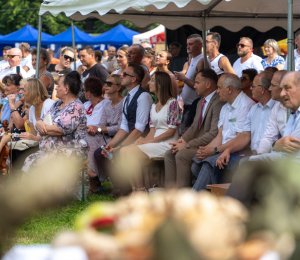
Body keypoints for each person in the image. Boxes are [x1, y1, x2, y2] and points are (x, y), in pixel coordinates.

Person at [226, 71, 300, 207]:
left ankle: (229, 214)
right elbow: (272, 139)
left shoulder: (293, 111)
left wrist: (261, 156)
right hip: (286, 164)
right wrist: (272, 147)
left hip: (293, 169)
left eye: (287, 88)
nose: (282, 93)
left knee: (248, 167)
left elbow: (290, 147)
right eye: (281, 88)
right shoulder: (292, 112)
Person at [94, 65, 153, 197]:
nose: (122, 76)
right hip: (131, 137)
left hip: (142, 139)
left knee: (119, 152)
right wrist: (111, 144)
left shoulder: (143, 96)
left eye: (125, 74)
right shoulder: (127, 98)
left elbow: (140, 129)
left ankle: (130, 189)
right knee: (101, 152)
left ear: (134, 79)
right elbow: (124, 127)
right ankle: (122, 186)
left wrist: (120, 146)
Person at [119, 71, 182, 193]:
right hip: (155, 142)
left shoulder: (172, 103)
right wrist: (142, 141)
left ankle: (141, 189)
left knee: (131, 153)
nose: (149, 82)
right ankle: (135, 189)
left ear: (160, 84)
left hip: (168, 143)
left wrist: (148, 142)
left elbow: (170, 132)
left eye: (152, 80)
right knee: (123, 151)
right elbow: (152, 131)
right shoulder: (153, 106)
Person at [190, 73, 255, 191]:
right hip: (224, 150)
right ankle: (213, 198)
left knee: (209, 164)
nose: (217, 91)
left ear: (229, 89)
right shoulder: (225, 107)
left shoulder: (245, 106)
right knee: (196, 164)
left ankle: (193, 198)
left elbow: (241, 138)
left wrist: (215, 150)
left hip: (241, 151)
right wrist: (205, 150)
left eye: (219, 88)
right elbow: (220, 135)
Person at [164, 69, 226, 188]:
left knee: (181, 155)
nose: (194, 86)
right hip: (199, 144)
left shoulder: (218, 102)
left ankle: (183, 196)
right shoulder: (201, 101)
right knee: (170, 153)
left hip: (210, 146)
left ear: (208, 84)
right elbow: (193, 128)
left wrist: (187, 145)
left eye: (197, 83)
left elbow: (213, 133)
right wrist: (181, 141)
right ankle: (170, 192)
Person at [22, 72, 88, 174]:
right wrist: (40, 124)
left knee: (38, 164)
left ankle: (44, 190)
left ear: (66, 90)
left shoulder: (76, 107)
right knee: (28, 160)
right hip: (51, 151)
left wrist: (43, 127)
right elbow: (41, 120)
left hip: (70, 151)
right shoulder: (57, 104)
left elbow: (60, 129)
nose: (56, 88)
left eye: (59, 86)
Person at [215, 71, 275, 175]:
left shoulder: (277, 108)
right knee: (220, 162)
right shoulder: (254, 109)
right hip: (254, 154)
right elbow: (244, 136)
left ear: (262, 89)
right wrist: (228, 150)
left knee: (236, 163)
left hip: (270, 156)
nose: (250, 88)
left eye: (253, 86)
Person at [87, 74, 124, 193]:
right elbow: (102, 124)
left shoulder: (123, 103)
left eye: (109, 84)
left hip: (119, 138)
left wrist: (97, 129)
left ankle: (96, 176)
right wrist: (94, 129)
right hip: (106, 137)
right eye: (106, 83)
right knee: (87, 137)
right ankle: (93, 175)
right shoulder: (108, 104)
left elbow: (120, 127)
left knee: (91, 141)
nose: (106, 86)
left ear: (118, 87)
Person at [173, 34, 209, 133]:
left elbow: (202, 87)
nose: (187, 47)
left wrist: (183, 79)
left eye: (191, 44)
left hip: (194, 107)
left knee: (186, 135)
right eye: (187, 44)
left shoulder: (202, 60)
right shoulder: (193, 59)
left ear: (200, 45)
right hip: (186, 105)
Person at [83, 76, 110, 191]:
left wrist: (95, 128)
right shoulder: (86, 105)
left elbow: (108, 125)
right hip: (87, 135)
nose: (83, 93)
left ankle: (92, 173)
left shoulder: (106, 104)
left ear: (89, 93)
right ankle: (91, 179)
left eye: (84, 91)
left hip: (104, 137)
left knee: (86, 139)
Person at [256, 70, 287, 154]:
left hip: (292, 158)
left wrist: (275, 145)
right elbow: (268, 136)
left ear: (284, 86)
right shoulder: (277, 107)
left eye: (273, 85)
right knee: (249, 162)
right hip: (282, 154)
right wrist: (259, 156)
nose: (269, 89)